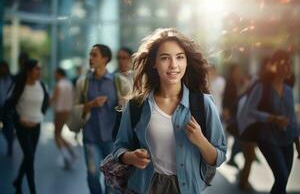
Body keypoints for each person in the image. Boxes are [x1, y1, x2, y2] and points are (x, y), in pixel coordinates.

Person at [113, 28, 227, 194]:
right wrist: (130, 157)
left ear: (186, 62)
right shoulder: (136, 105)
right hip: (144, 187)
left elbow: (219, 157)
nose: (174, 65)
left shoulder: (203, 104)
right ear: (154, 63)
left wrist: (201, 141)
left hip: (187, 188)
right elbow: (119, 147)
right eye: (165, 58)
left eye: (180, 57)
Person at [240, 49, 300, 194]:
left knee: (283, 182)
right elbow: (250, 111)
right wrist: (272, 118)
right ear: (274, 66)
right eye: (283, 63)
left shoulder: (288, 89)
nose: (287, 67)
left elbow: (292, 119)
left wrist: (297, 142)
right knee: (281, 177)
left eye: (289, 64)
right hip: (267, 138)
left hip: (287, 140)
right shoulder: (262, 87)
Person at [74, 44, 117, 194]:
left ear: (105, 59)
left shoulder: (117, 82)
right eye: (90, 55)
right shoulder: (83, 82)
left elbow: (126, 110)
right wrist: (91, 104)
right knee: (92, 176)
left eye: (94, 55)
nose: (90, 58)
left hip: (111, 139)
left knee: (111, 180)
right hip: (90, 137)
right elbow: (75, 109)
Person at [7, 59, 49, 194]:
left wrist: (40, 115)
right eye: (37, 68)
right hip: (22, 127)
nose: (39, 71)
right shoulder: (19, 86)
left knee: (28, 157)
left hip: (36, 126)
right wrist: (19, 119)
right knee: (30, 157)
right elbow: (8, 106)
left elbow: (46, 101)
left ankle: (18, 181)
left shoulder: (41, 85)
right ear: (28, 71)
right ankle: (33, 190)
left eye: (40, 69)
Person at [51, 67, 75, 169]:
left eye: (55, 73)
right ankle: (71, 152)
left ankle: (66, 155)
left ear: (58, 74)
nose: (54, 76)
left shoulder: (59, 85)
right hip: (68, 111)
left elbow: (52, 99)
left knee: (56, 135)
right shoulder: (69, 84)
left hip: (59, 111)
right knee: (59, 134)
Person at [0, 61, 13, 156]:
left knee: (8, 128)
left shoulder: (12, 79)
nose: (3, 70)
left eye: (5, 68)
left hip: (8, 108)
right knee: (4, 129)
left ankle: (10, 146)